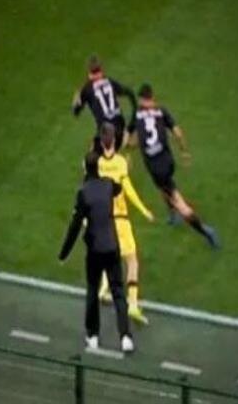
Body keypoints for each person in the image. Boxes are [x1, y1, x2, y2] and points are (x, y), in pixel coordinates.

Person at [127, 83, 220, 248]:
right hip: (168, 162)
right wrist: (184, 152)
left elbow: (130, 141)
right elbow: (177, 132)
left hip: (156, 168)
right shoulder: (161, 110)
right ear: (152, 97)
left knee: (179, 202)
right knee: (163, 188)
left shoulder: (137, 114)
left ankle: (206, 231)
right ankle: (172, 215)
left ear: (141, 99)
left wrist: (131, 148)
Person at [58, 151, 134, 352]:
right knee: (118, 292)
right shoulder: (108, 185)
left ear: (85, 168)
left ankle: (93, 335)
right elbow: (118, 187)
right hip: (112, 246)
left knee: (92, 290)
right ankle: (125, 337)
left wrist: (64, 253)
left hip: (94, 250)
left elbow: (75, 226)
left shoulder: (83, 193)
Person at [96, 122, 154, 325]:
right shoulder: (120, 163)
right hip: (120, 220)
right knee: (132, 261)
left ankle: (103, 291)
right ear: (114, 141)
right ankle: (133, 305)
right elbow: (128, 190)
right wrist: (144, 210)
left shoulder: (95, 163)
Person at [72, 55, 137, 151]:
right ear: (101, 69)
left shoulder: (86, 88)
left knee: (92, 156)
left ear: (89, 72)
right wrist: (131, 126)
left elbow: (75, 112)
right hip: (121, 128)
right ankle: (127, 141)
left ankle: (120, 146)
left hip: (106, 134)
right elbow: (130, 93)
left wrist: (76, 100)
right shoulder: (109, 81)